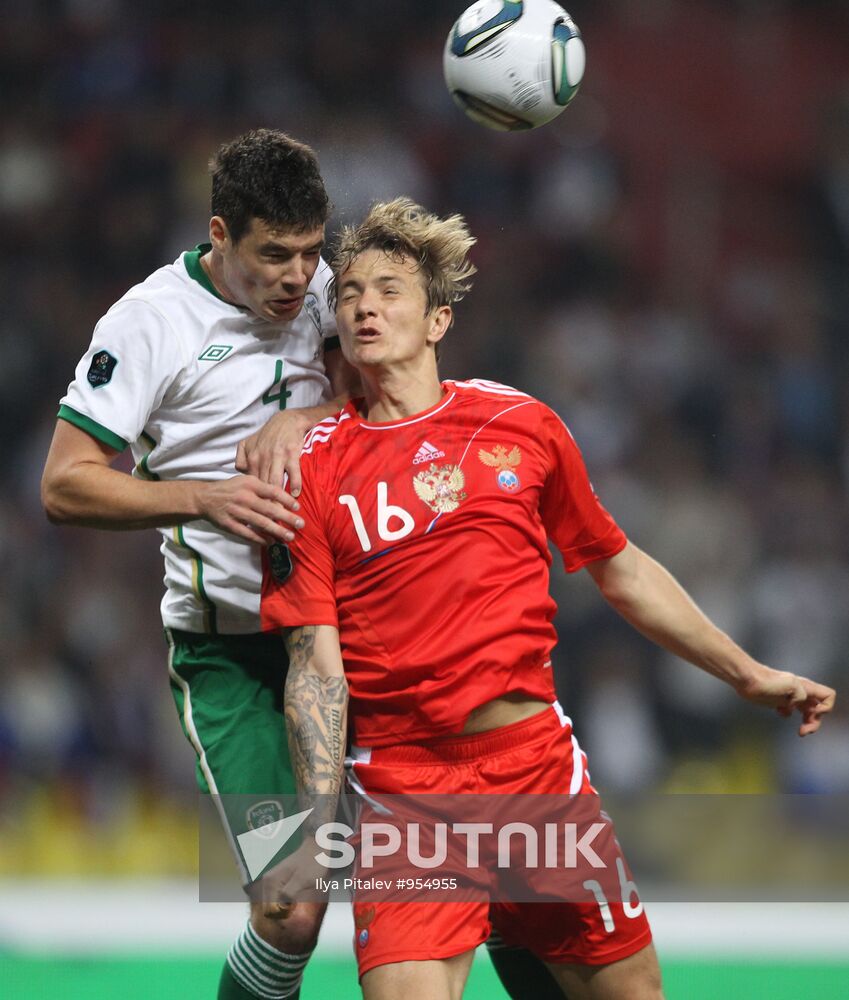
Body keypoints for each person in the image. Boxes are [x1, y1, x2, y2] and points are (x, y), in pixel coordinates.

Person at [259, 197, 836, 1000]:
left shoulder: (519, 425)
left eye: (390, 289)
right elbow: (314, 661)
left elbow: (618, 567)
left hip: (533, 774)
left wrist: (744, 674)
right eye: (351, 292)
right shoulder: (308, 469)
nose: (364, 305)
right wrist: (318, 819)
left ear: (438, 320)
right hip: (401, 791)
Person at [41, 128, 359, 1000]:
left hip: (350, 633)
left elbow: (389, 389)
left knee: (474, 876)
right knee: (292, 906)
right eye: (273, 256)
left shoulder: (330, 292)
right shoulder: (148, 324)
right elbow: (64, 484)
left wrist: (313, 410)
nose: (299, 278)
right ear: (220, 236)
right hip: (232, 655)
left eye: (310, 250)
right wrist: (202, 495)